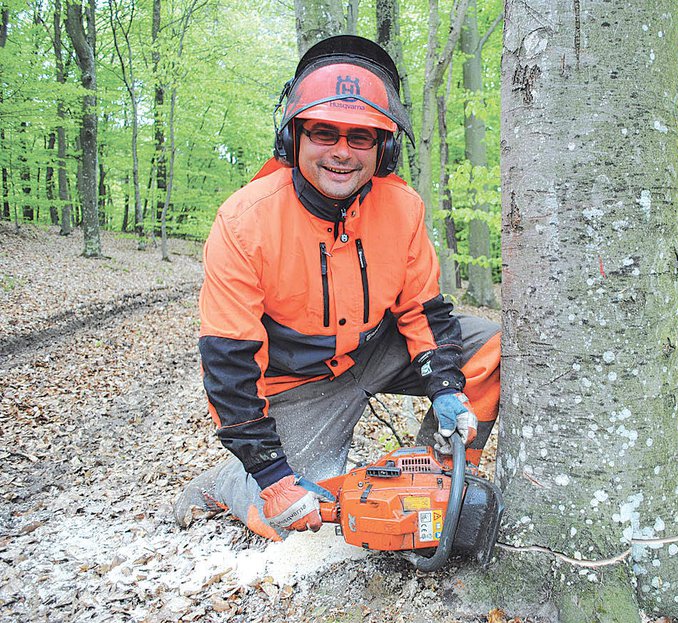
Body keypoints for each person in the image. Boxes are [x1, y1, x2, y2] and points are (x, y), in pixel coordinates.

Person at [173, 35, 501, 540]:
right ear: (295, 139)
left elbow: (423, 312)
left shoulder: (403, 207)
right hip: (296, 381)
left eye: (361, 137)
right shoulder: (245, 221)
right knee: (295, 513)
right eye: (325, 133)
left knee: (493, 346)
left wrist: (447, 387)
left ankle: (441, 480)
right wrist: (270, 474)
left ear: (383, 148)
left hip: (375, 349)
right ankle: (226, 485)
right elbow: (228, 361)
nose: (342, 153)